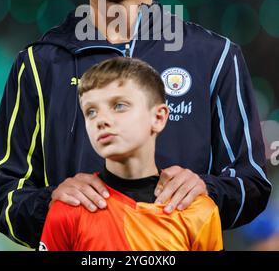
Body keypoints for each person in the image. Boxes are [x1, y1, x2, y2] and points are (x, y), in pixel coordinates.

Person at [0, 0, 271, 249]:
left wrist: (206, 189)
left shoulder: (214, 57)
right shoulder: (40, 64)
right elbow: (2, 193)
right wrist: (53, 202)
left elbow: (252, 180)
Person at [40, 57, 223, 251]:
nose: (101, 120)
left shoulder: (199, 211)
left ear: (158, 117)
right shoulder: (67, 210)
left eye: (119, 106)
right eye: (91, 111)